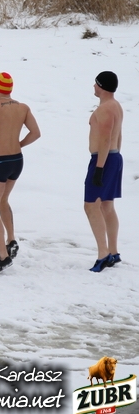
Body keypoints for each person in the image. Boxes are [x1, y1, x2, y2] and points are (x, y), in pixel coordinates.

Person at [0, 72, 41, 274]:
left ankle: (3, 256)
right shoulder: (23, 107)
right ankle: (11, 239)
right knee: (3, 200)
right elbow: (36, 133)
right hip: (17, 160)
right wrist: (19, 144)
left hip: (0, 162)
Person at [84, 71, 123, 272]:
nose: (93, 86)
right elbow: (118, 136)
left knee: (91, 206)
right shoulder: (115, 106)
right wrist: (114, 159)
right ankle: (113, 252)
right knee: (107, 205)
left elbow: (106, 139)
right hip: (113, 157)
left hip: (103, 159)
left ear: (101, 86)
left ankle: (103, 254)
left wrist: (100, 167)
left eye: (95, 83)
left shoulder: (106, 109)